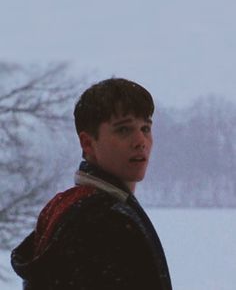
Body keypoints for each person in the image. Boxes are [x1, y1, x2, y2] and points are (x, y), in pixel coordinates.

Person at [11, 78, 172, 290]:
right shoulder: (104, 220)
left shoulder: (69, 205)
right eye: (124, 130)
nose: (140, 141)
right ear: (87, 143)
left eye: (145, 128)